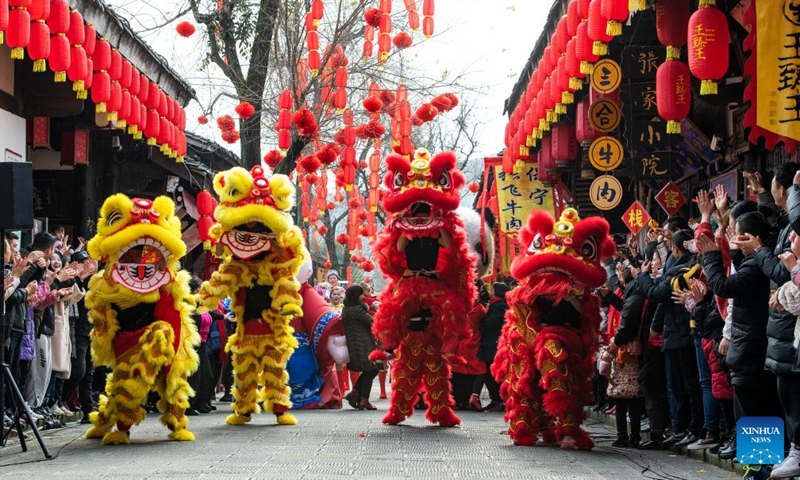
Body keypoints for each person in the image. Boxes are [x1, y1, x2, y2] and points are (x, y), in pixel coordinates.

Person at [738, 164, 800, 479]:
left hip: (759, 339)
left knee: (762, 404)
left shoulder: (753, 265)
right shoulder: (777, 235)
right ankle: (758, 467)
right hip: (761, 338)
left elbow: (722, 285)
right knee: (760, 403)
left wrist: (711, 254)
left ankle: (760, 466)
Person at [638, 229, 705, 448]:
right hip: (679, 333)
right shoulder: (683, 266)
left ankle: (694, 429)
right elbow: (663, 302)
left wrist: (643, 275)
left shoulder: (682, 271)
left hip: (683, 335)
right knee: (682, 386)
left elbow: (656, 294)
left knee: (689, 386)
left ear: (676, 249)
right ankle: (684, 428)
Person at [602, 264, 646, 448]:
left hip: (626, 353)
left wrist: (613, 346)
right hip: (630, 352)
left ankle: (624, 436)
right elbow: (624, 308)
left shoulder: (634, 295)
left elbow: (626, 325)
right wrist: (610, 296)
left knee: (621, 397)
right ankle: (633, 436)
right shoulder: (633, 294)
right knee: (632, 398)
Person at [341, 285, 381, 410]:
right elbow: (372, 321)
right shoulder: (356, 310)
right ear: (356, 296)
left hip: (356, 344)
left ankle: (357, 395)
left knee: (370, 370)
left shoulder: (347, 309)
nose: (364, 296)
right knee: (372, 368)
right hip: (362, 344)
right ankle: (361, 398)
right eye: (362, 294)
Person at [472, 282, 509, 412]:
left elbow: (493, 323)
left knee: (492, 372)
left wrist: (481, 321)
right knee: (488, 372)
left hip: (493, 343)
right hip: (489, 343)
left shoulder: (500, 305)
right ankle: (495, 399)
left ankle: (499, 399)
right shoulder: (495, 304)